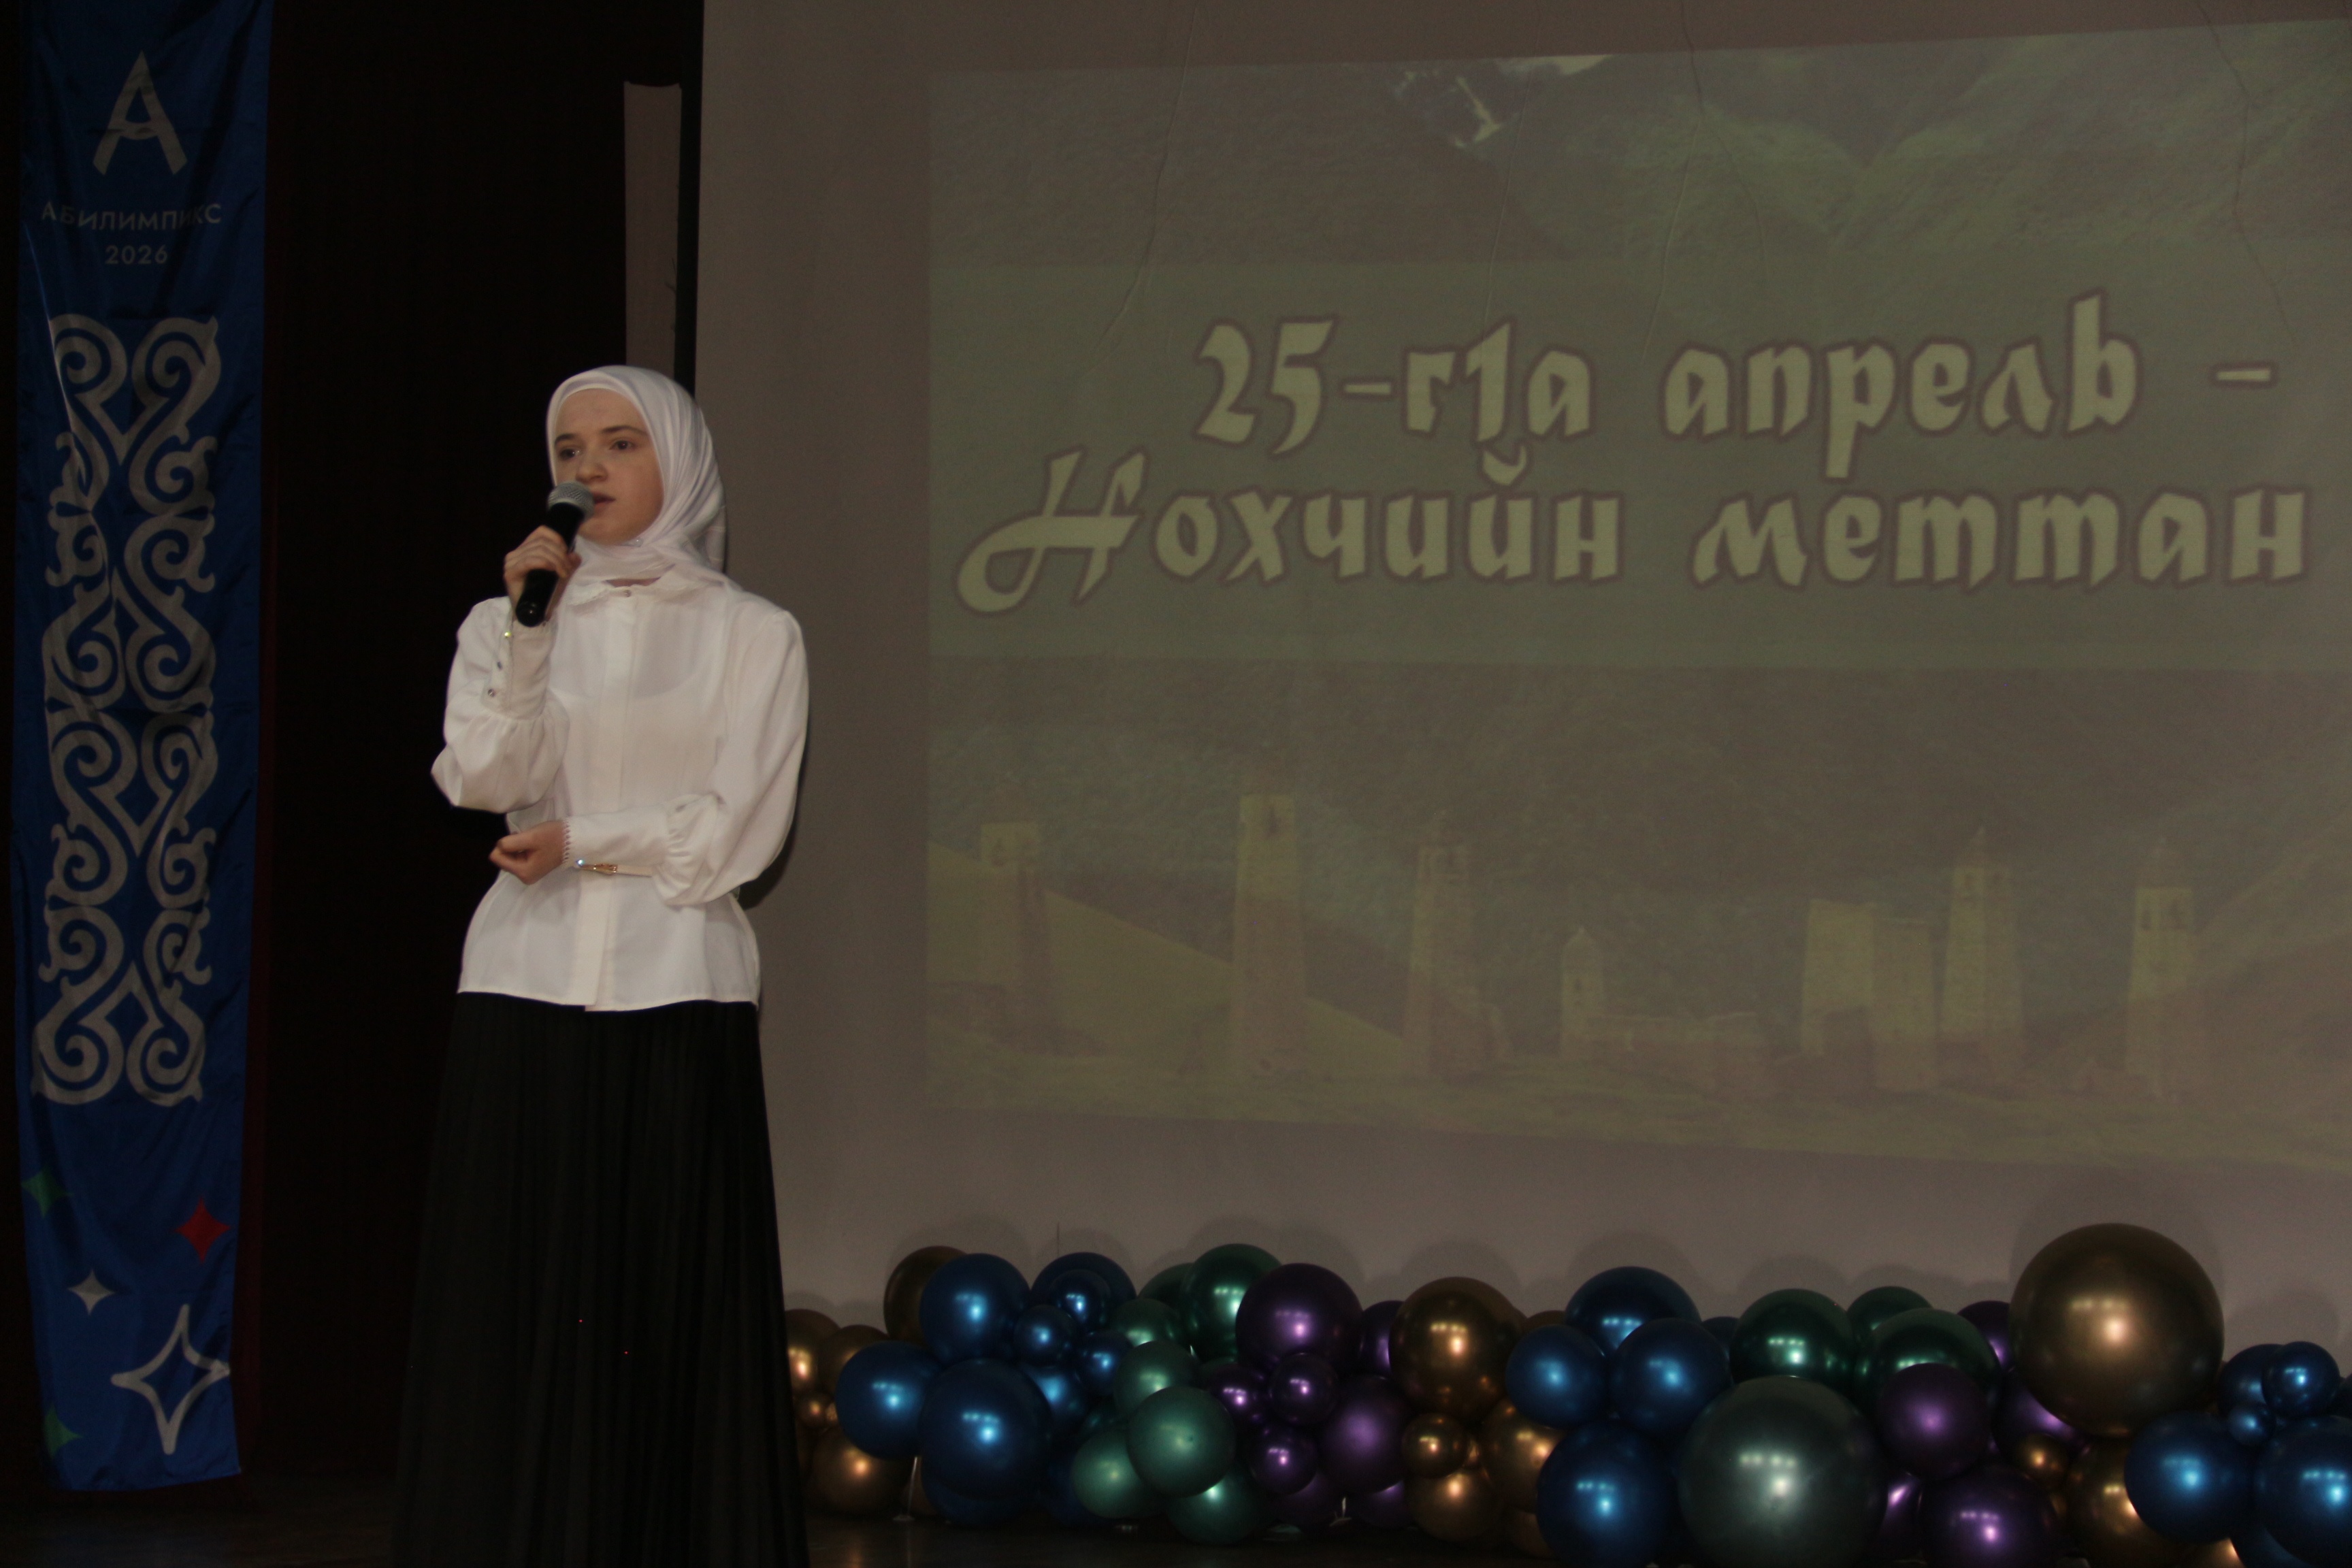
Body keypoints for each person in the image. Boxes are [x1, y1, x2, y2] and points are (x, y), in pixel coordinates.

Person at [396, 365, 810, 1567]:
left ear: (679, 460)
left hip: (677, 984)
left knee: (656, 1298)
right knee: (516, 1298)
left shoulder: (753, 633)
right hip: (521, 984)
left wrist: (587, 841)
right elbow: (485, 777)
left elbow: (738, 830)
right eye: (570, 449)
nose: (590, 469)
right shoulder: (503, 622)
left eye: (621, 443)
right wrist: (530, 632)